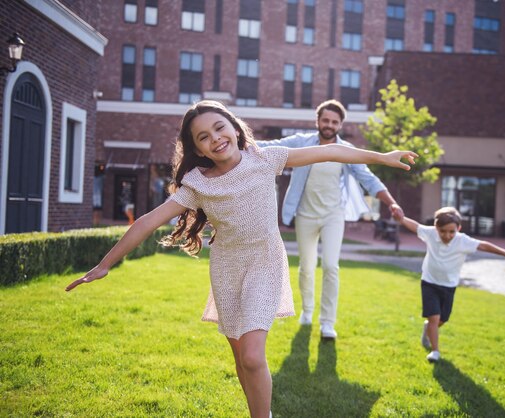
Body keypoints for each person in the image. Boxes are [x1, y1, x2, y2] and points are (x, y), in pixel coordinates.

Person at [65, 100, 417, 418]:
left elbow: (332, 153)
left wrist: (381, 157)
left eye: (219, 128)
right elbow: (146, 222)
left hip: (265, 262)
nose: (215, 139)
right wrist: (104, 264)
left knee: (252, 356)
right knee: (240, 358)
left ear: (234, 128)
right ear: (197, 148)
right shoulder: (196, 185)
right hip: (227, 269)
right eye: (203, 137)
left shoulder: (266, 158)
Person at [257, 99, 404, 339]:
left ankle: (327, 323)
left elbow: (369, 178)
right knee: (306, 268)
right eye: (325, 120)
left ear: (340, 125)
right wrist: (236, 139)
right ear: (317, 121)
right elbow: (271, 146)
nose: (329, 124)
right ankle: (307, 310)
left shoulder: (346, 151)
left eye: (334, 121)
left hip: (333, 215)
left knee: (331, 267)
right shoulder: (301, 142)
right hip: (305, 214)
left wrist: (391, 203)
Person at [393, 206, 505, 362]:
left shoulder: (463, 241)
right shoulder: (430, 233)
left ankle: (427, 328)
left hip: (449, 286)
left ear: (458, 229)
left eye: (451, 232)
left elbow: (483, 245)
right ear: (436, 228)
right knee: (434, 318)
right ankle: (435, 352)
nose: (447, 235)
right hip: (429, 282)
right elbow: (415, 226)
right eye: (443, 231)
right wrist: (401, 219)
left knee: (442, 320)